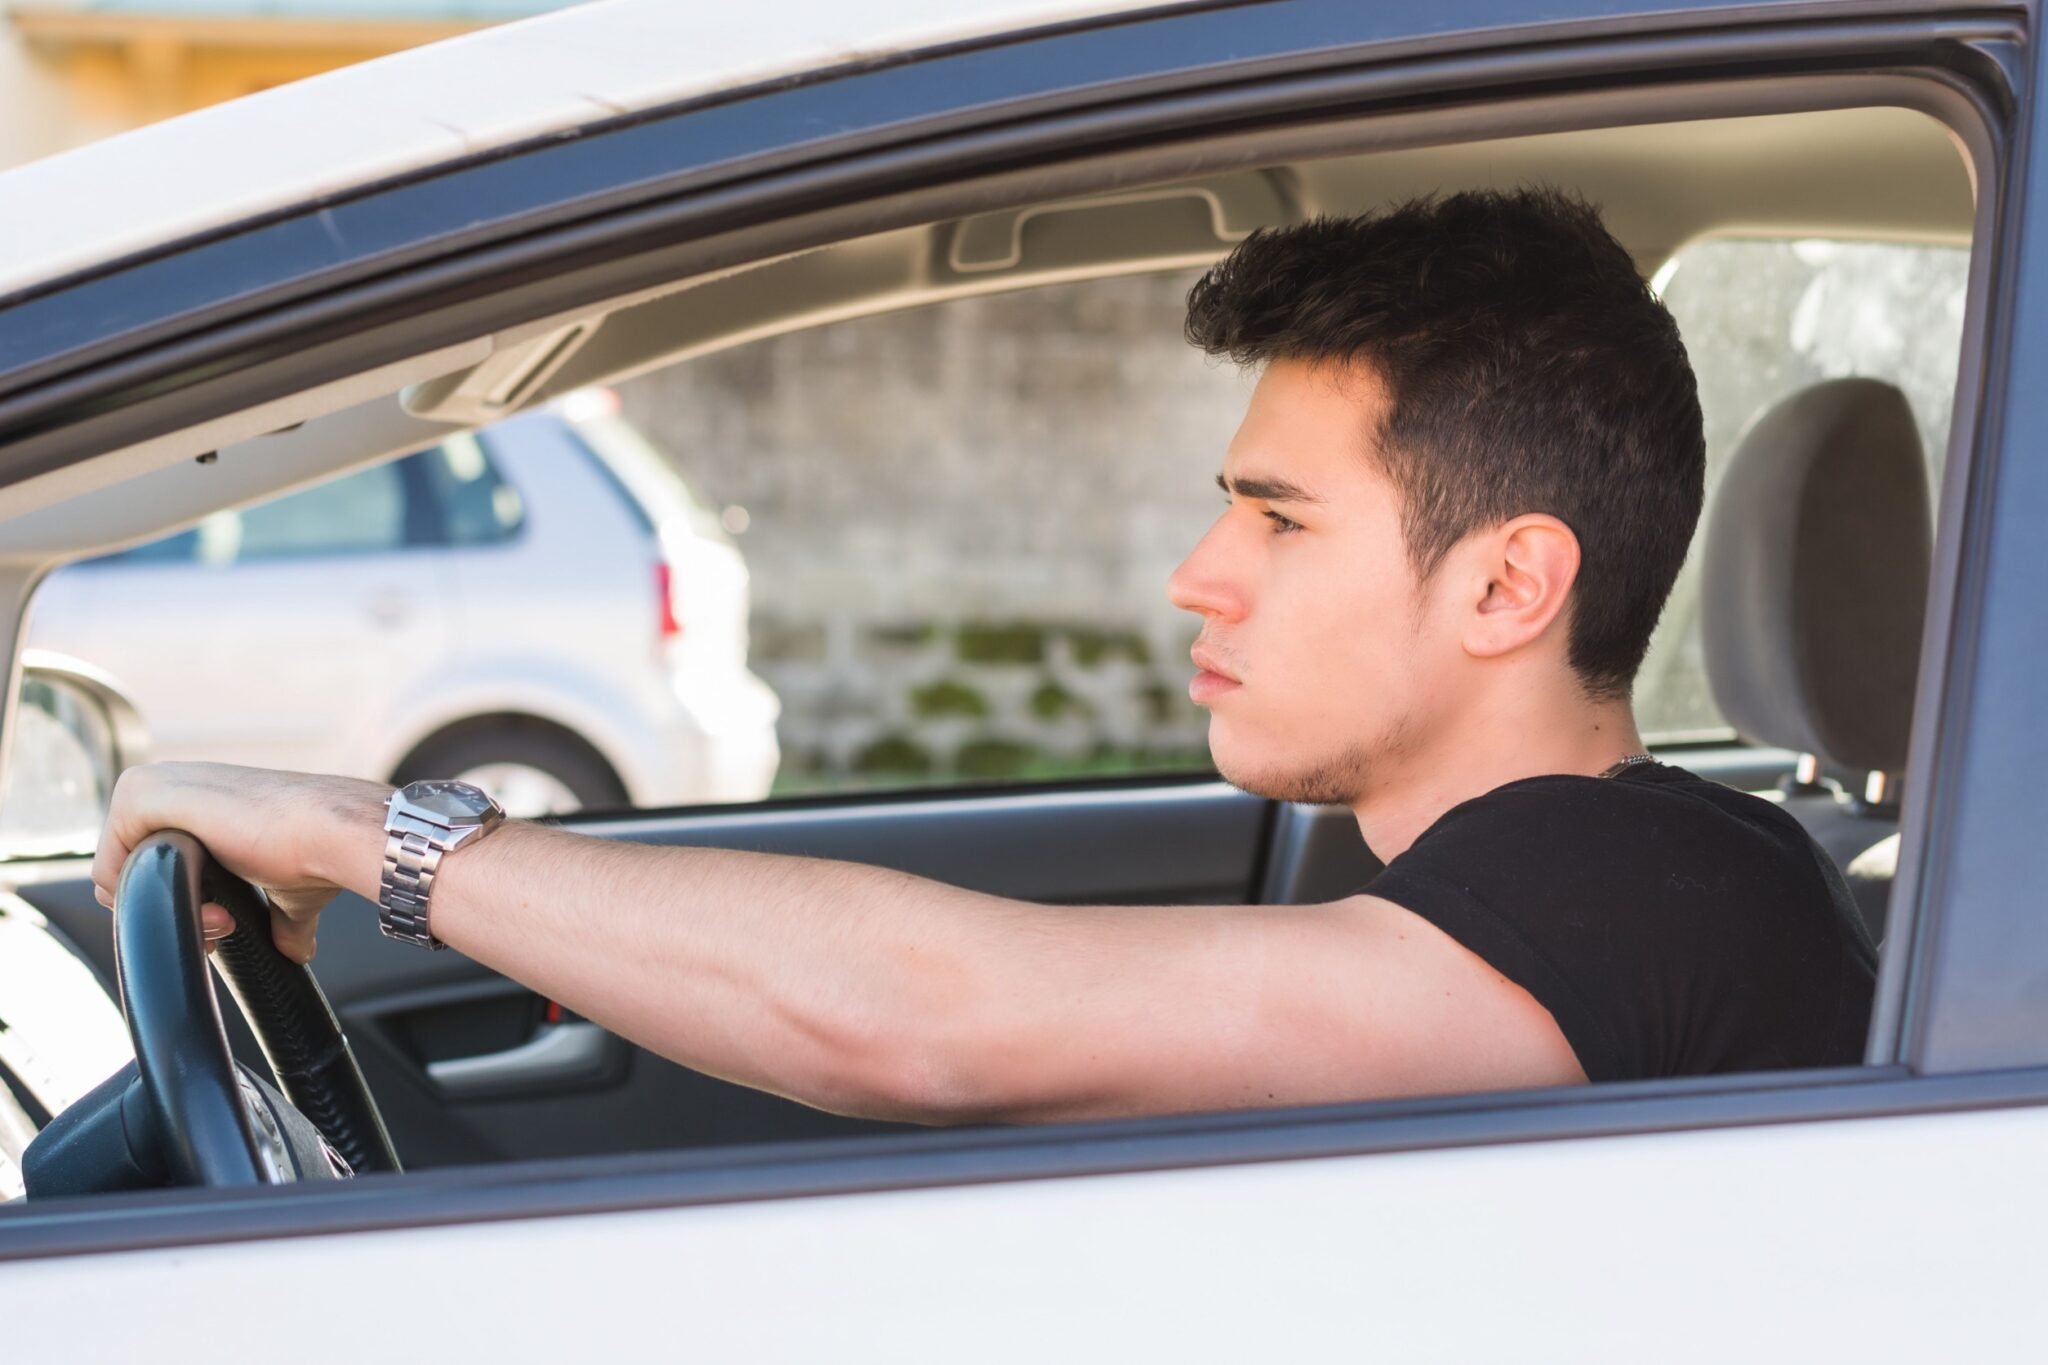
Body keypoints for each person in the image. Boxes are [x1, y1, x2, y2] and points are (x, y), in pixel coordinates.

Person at [91, 187, 1877, 1124]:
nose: (1198, 576)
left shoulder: (1650, 900)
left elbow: (937, 1024)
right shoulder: (1618, 872)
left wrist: (366, 834)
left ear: (1507, 588)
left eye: (1277, 518)